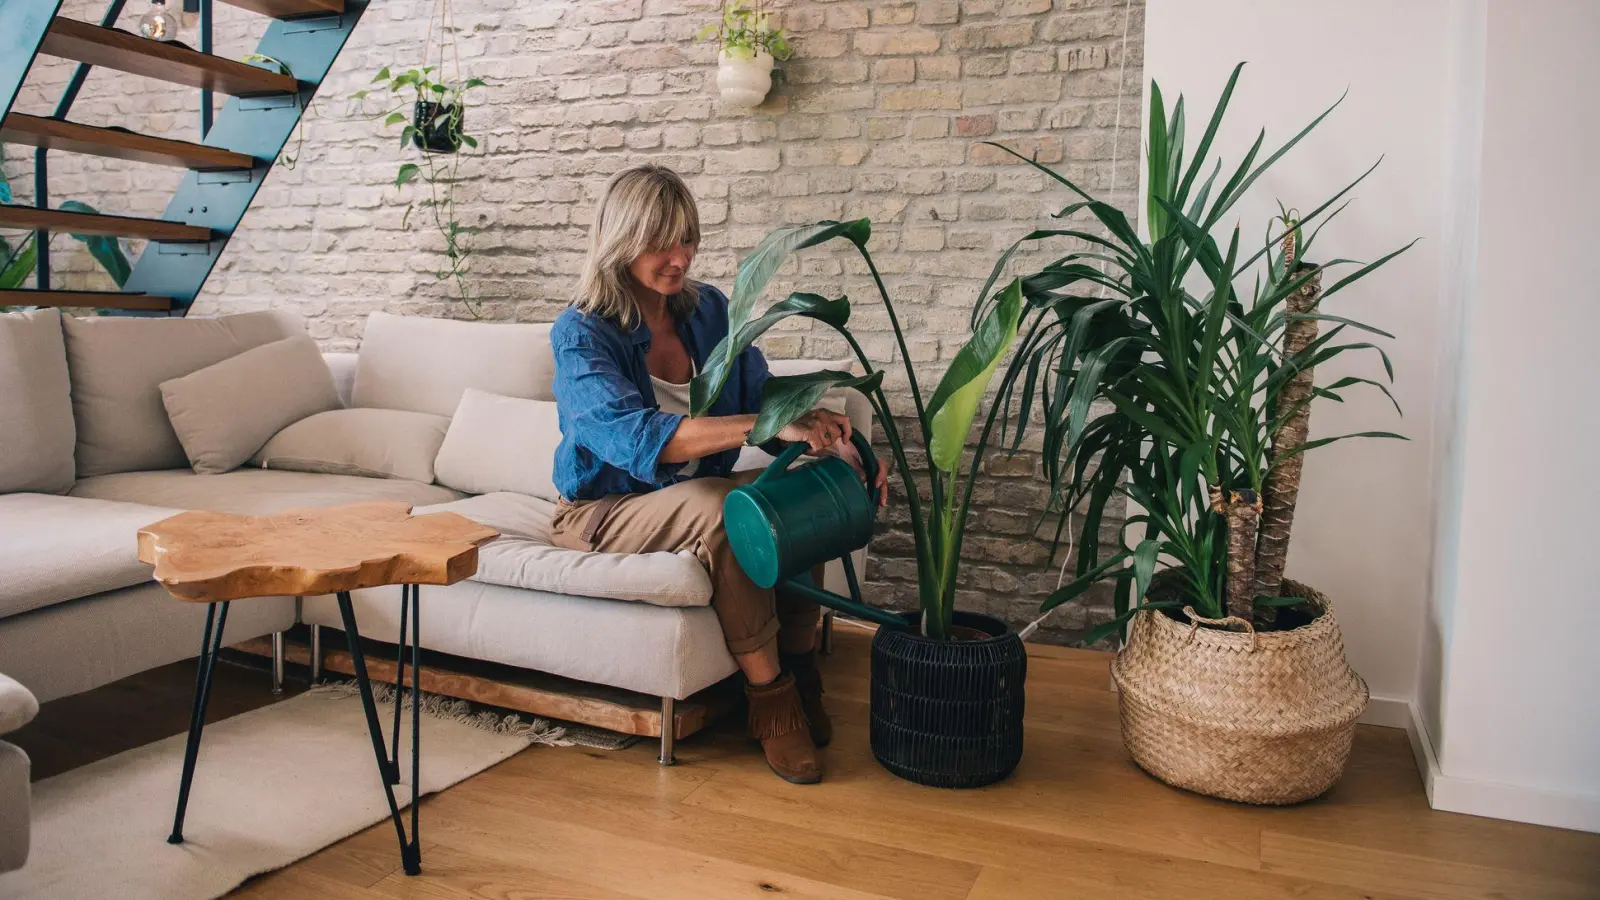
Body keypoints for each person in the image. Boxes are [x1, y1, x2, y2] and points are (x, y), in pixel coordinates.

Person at [549, 164, 888, 784]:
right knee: (721, 507)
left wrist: (824, 427)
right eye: (660, 242)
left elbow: (760, 390)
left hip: (687, 494)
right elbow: (636, 439)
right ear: (621, 238)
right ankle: (773, 700)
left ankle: (802, 662)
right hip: (605, 510)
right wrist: (764, 426)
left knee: (792, 491)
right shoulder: (581, 333)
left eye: (688, 239)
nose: (678, 258)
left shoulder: (707, 311)